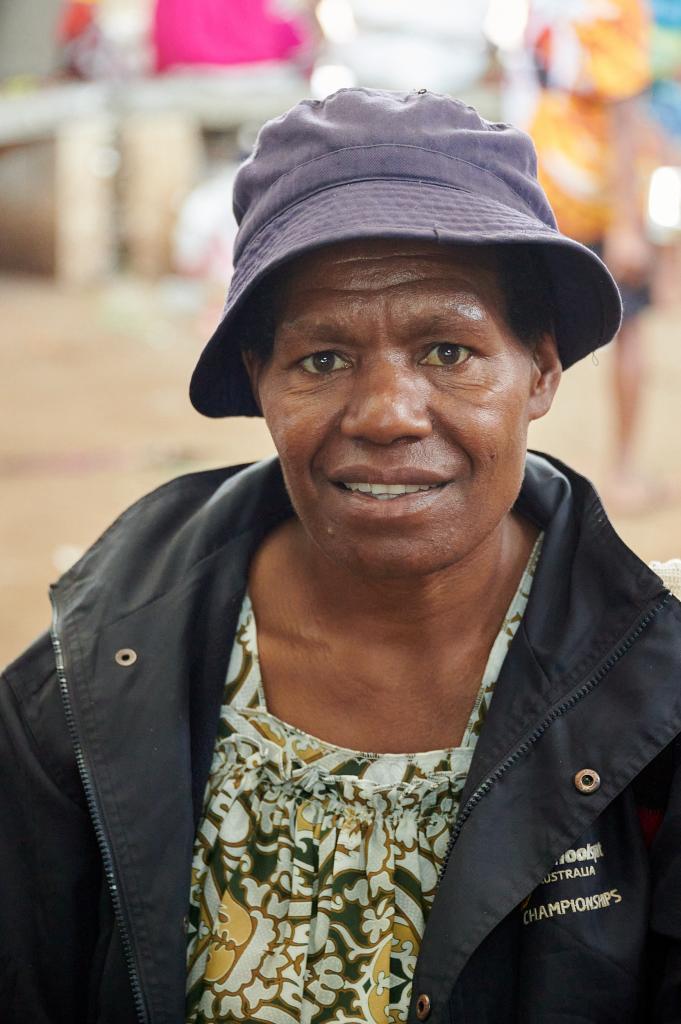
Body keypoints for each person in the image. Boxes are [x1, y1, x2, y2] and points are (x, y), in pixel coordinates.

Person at [2, 88, 681, 1023]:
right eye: (321, 359)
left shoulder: (657, 695)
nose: (386, 414)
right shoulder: (88, 683)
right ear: (261, 382)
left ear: (542, 370)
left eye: (448, 350)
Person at [522, 0, 660, 513]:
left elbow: (626, 112)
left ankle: (618, 470)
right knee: (527, 330)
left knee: (622, 328)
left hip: (589, 193)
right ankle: (526, 469)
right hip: (557, 188)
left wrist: (625, 222)